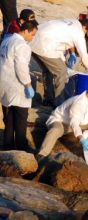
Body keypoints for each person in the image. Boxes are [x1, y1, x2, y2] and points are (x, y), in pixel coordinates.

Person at [30, 18, 88, 107]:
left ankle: (48, 100)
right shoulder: (79, 33)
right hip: (45, 45)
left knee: (48, 70)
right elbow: (84, 56)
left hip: (32, 40)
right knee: (62, 72)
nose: (85, 34)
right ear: (84, 27)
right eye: (86, 32)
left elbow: (58, 41)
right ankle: (58, 105)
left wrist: (63, 59)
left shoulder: (70, 21)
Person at [37, 83, 88, 158]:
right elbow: (74, 122)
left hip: (80, 122)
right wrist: (81, 138)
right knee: (55, 130)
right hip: (61, 121)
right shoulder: (78, 102)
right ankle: (42, 154)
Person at [0, 20, 38, 151]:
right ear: (26, 31)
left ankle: (7, 147)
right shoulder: (22, 46)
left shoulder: (7, 40)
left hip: (4, 85)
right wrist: (28, 84)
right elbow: (21, 68)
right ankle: (21, 148)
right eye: (32, 34)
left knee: (9, 119)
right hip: (17, 87)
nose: (32, 38)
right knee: (21, 119)